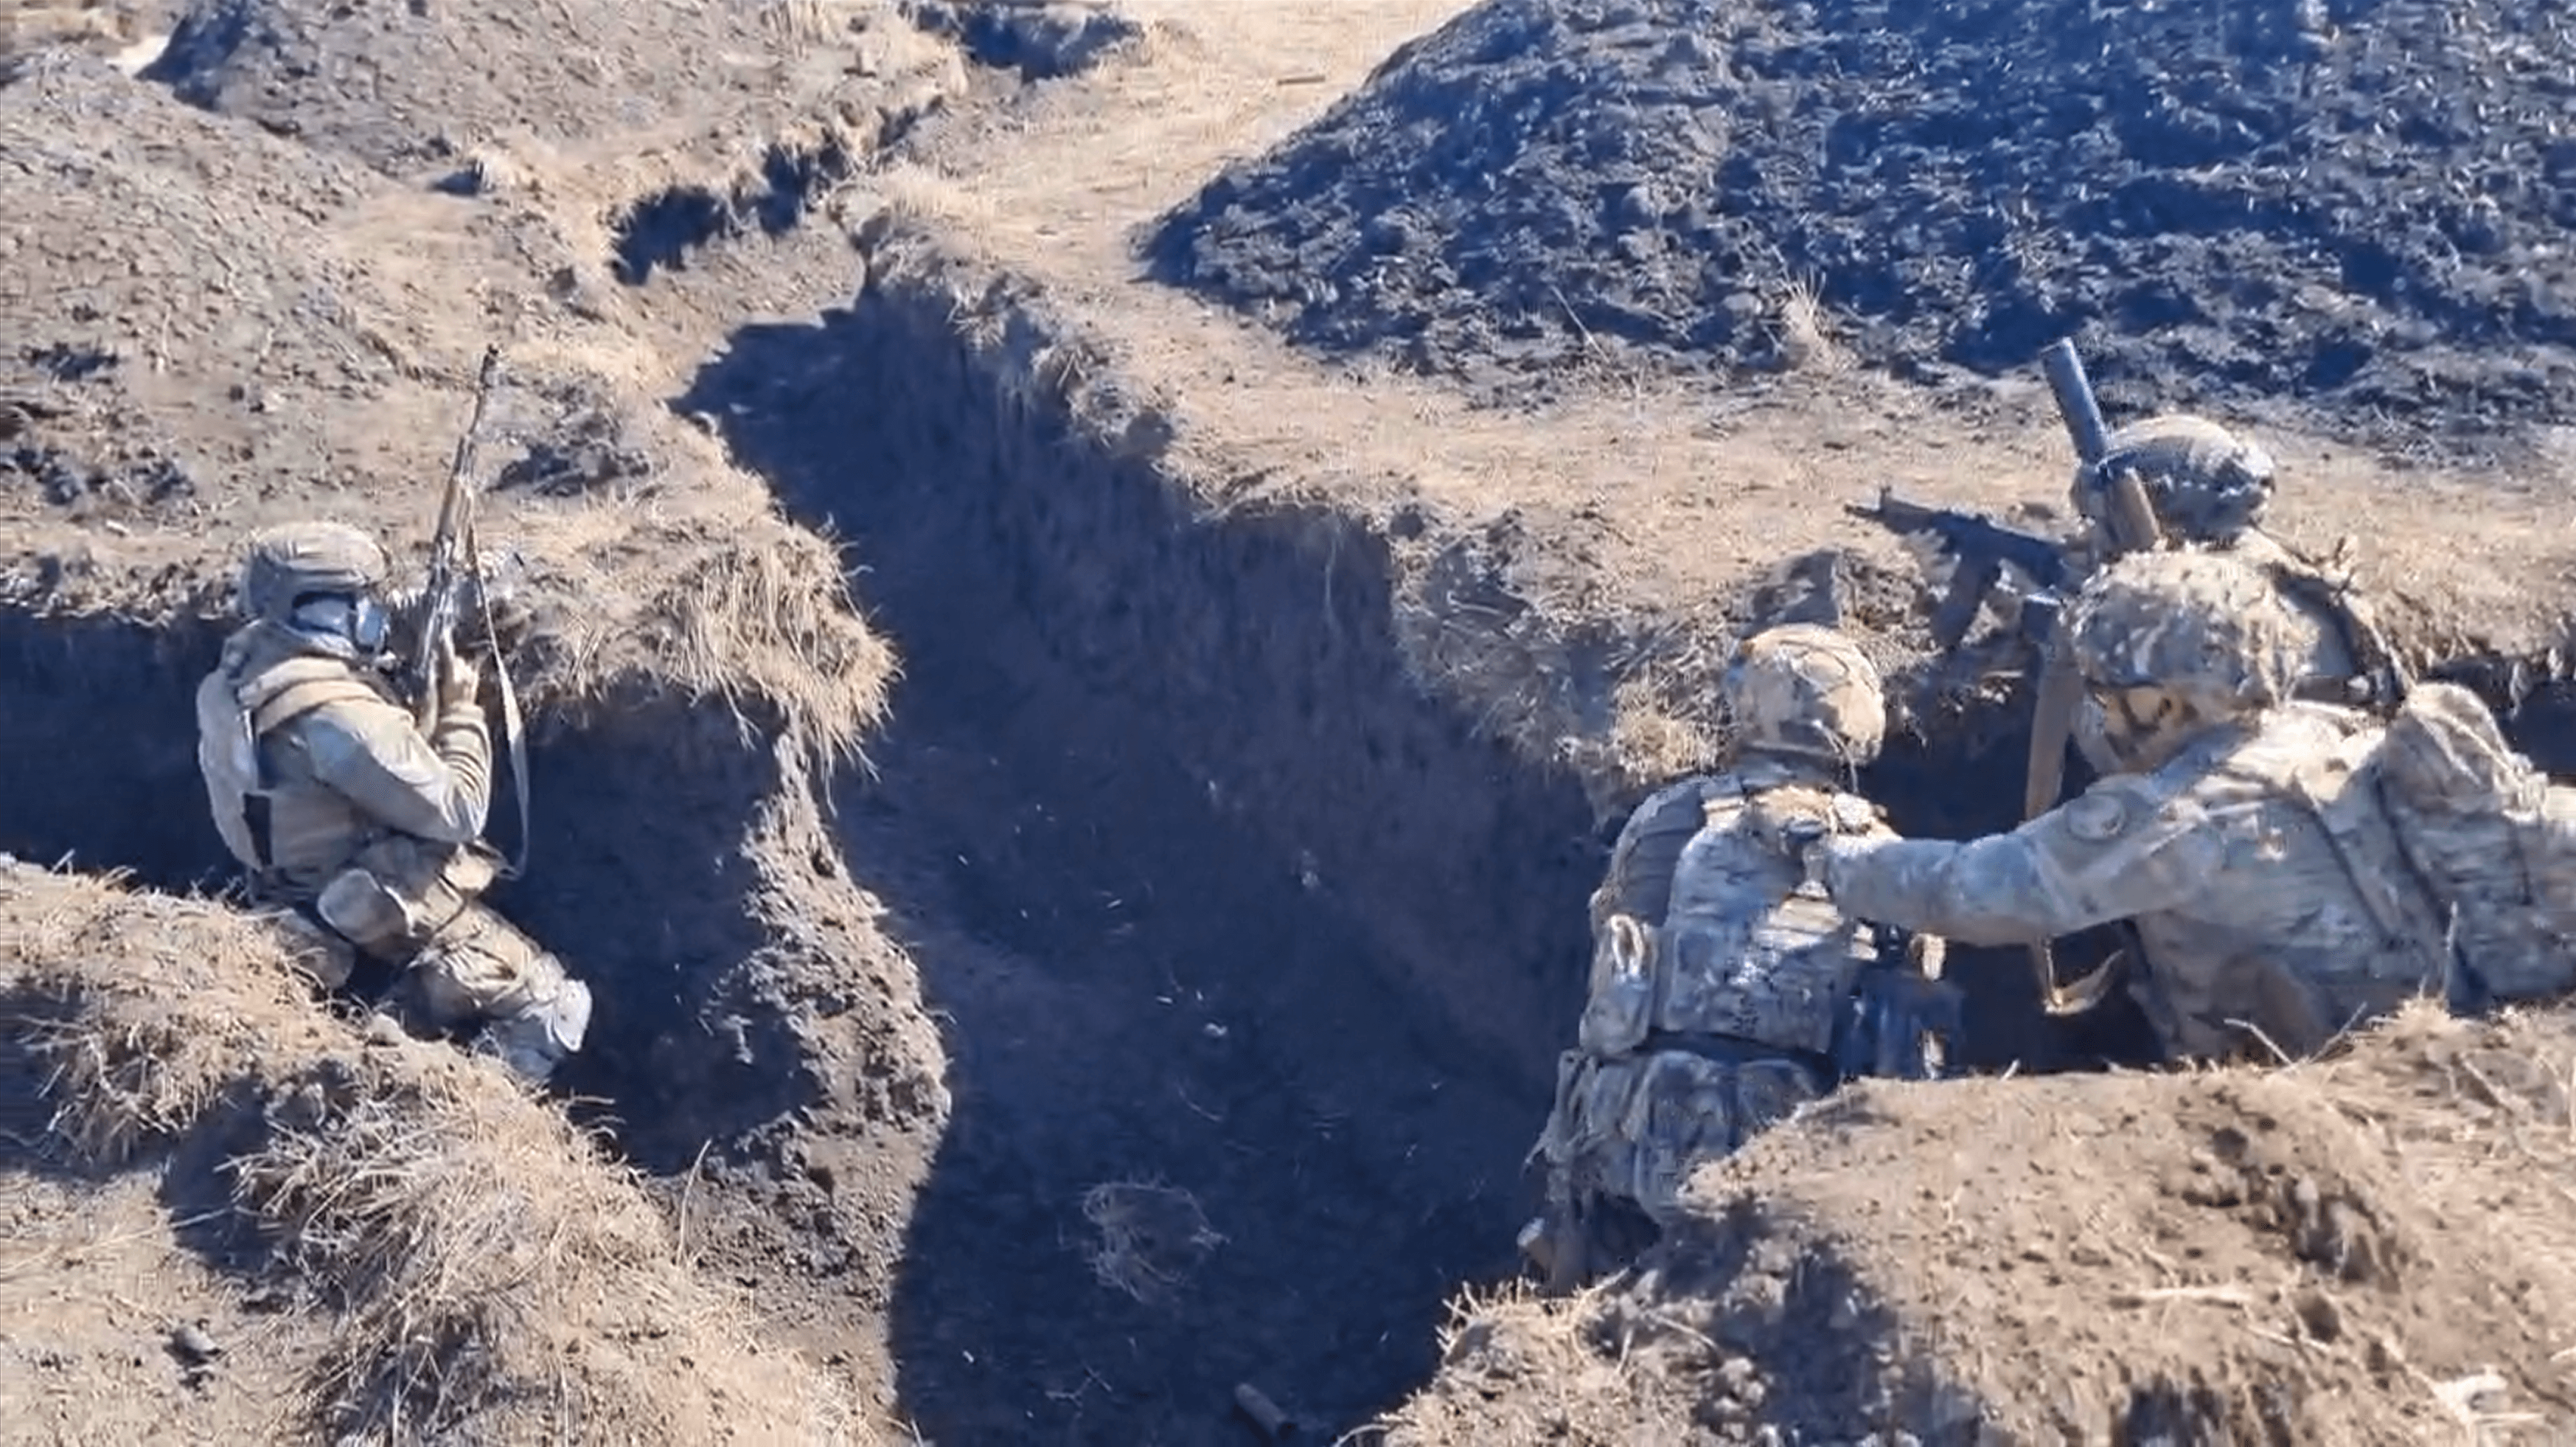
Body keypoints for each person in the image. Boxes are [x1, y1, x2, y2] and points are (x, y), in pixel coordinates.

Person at [1805, 546, 2574, 1066]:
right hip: (2435, 1048)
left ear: (2164, 703)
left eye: (2108, 694)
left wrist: (1829, 854)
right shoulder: (2336, 733)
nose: (2100, 713)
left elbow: (1972, 892)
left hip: (2311, 1093)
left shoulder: (2180, 821)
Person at [1520, 625, 1958, 1291]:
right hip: (1789, 1159)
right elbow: (1913, 1030)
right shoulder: (1883, 853)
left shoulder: (1671, 818)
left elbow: (1613, 954)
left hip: (1633, 1143)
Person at [193, 520, 591, 1084]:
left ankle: (387, 997)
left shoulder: (247, 662)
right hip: (364, 896)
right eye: (360, 598)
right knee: (555, 1009)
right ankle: (463, 1094)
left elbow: (373, 628)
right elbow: (458, 811)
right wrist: (460, 708)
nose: (374, 609)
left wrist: (454, 602)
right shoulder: (341, 720)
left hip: (289, 884)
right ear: (321, 610)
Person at [2055, 413, 2406, 777]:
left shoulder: (2207, 611)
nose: (2083, 538)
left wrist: (2073, 650)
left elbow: (2133, 747)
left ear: (2163, 516)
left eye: (2102, 524)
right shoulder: (2275, 570)